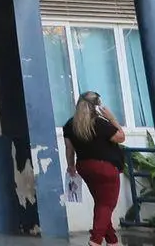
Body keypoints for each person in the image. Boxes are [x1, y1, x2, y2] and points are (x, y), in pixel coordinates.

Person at [64, 91, 127, 246]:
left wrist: (70, 166)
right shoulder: (100, 123)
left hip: (84, 167)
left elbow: (69, 149)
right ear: (96, 106)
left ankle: (112, 241)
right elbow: (121, 137)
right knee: (107, 205)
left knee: (101, 203)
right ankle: (95, 240)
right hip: (106, 168)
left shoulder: (70, 125)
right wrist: (112, 118)